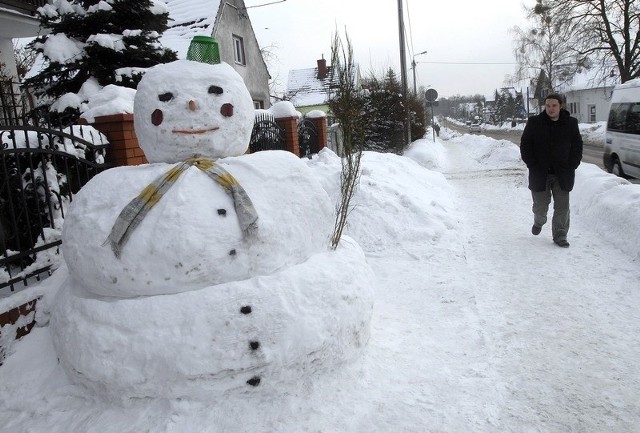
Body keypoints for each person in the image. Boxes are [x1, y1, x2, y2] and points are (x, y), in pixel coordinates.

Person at [520, 93, 583, 248]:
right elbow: (525, 144)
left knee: (562, 207)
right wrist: (532, 164)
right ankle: (539, 221)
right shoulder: (535, 123)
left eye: (554, 105)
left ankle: (560, 235)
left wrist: (572, 164)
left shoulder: (570, 123)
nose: (551, 109)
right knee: (540, 206)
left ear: (560, 106)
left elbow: (577, 145)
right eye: (548, 105)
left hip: (563, 173)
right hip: (539, 173)